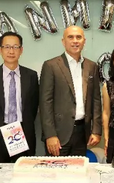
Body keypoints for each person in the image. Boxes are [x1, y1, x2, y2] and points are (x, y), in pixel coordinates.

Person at [39, 26, 102, 156]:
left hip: (82, 133)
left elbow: (96, 100)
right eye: (70, 37)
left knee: (79, 168)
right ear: (63, 41)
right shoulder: (51, 65)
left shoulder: (91, 66)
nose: (75, 41)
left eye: (78, 37)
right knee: (57, 169)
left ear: (84, 41)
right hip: (58, 135)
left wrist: (96, 130)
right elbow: (45, 103)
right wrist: (50, 135)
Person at [0, 32, 39, 163]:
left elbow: (33, 107)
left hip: (23, 134)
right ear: (0, 50)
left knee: (22, 172)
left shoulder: (31, 76)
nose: (11, 51)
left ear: (21, 50)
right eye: (7, 47)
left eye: (15, 47)